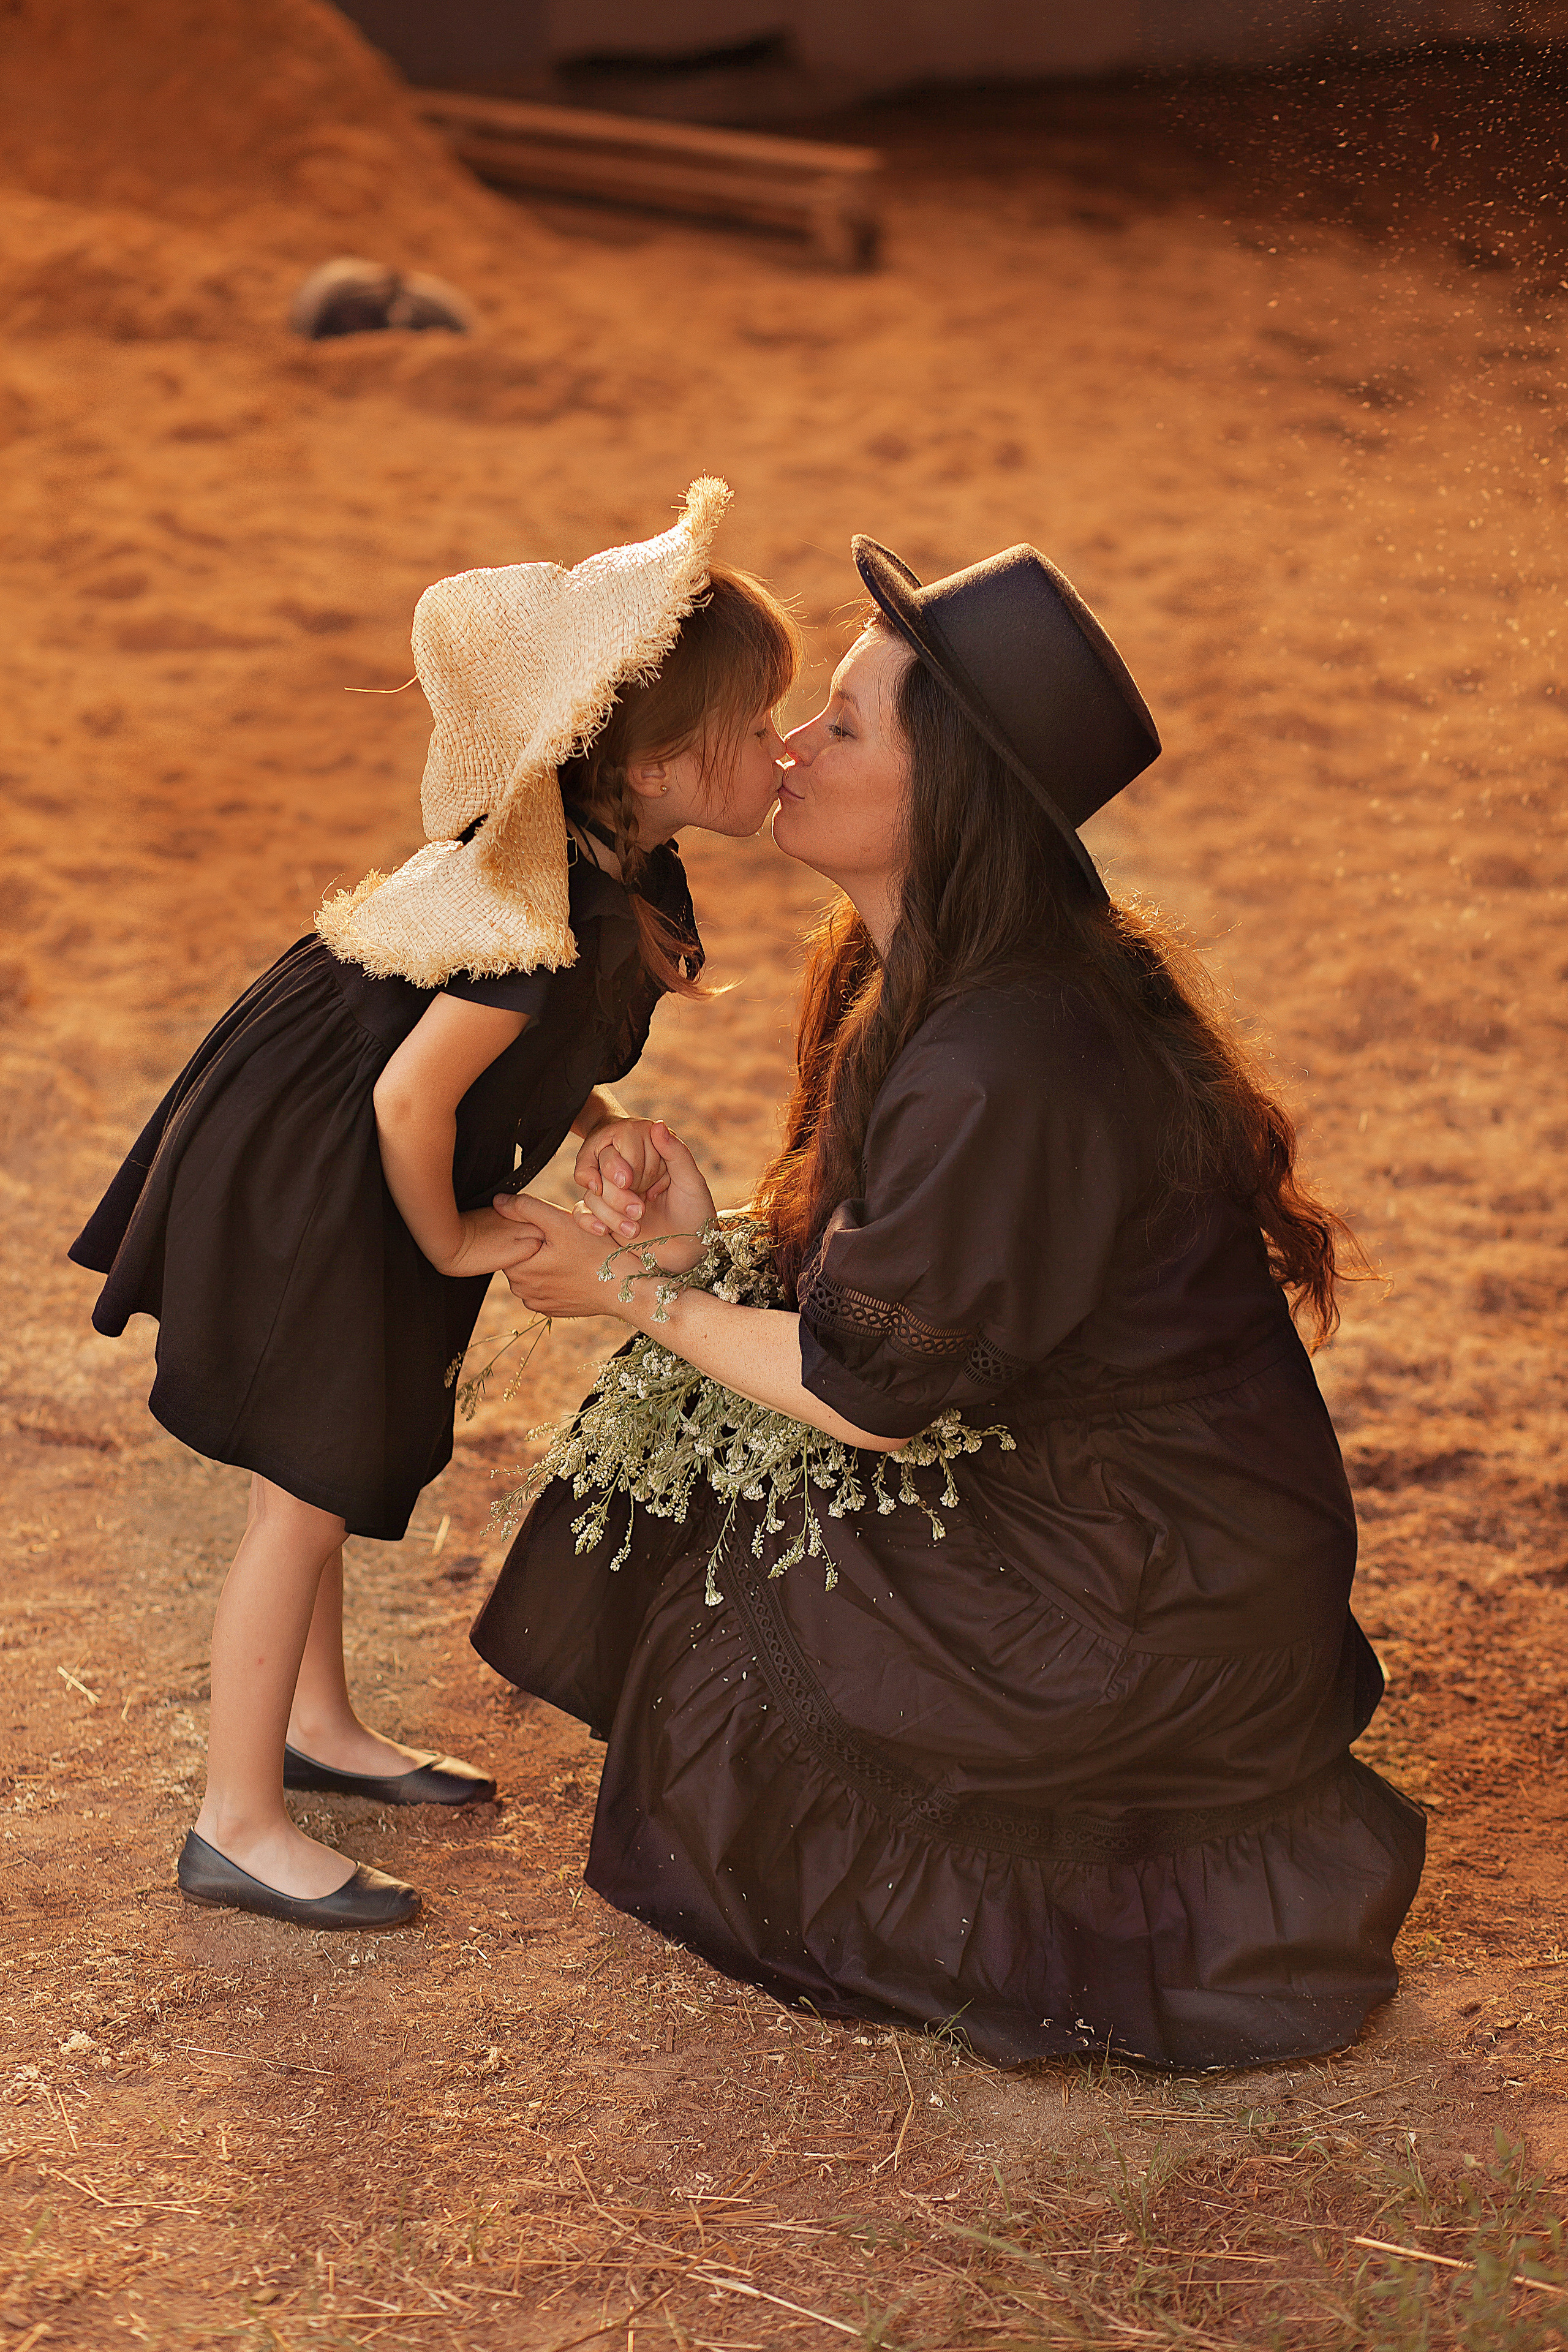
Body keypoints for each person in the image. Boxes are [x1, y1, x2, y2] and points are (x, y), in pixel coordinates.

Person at [470, 532, 1426, 2068]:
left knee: (743, 1560)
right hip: (1102, 1506)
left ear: (954, 791)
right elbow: (894, 1278)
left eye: (842, 726)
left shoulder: (1010, 1049)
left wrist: (641, 1291)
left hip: (1148, 1590)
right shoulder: (902, 961)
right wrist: (704, 1235)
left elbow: (869, 1393)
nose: (787, 745)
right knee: (709, 1464)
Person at [69, 480, 799, 1932]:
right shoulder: (545, 920)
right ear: (649, 760)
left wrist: (591, 1120)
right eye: (757, 724)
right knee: (306, 1485)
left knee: (330, 1457)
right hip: (329, 1177)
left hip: (368, 1162)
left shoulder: (619, 869)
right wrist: (457, 1235)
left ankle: (316, 1727)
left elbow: (505, 1066)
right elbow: (413, 1097)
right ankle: (236, 1819)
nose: (780, 749)